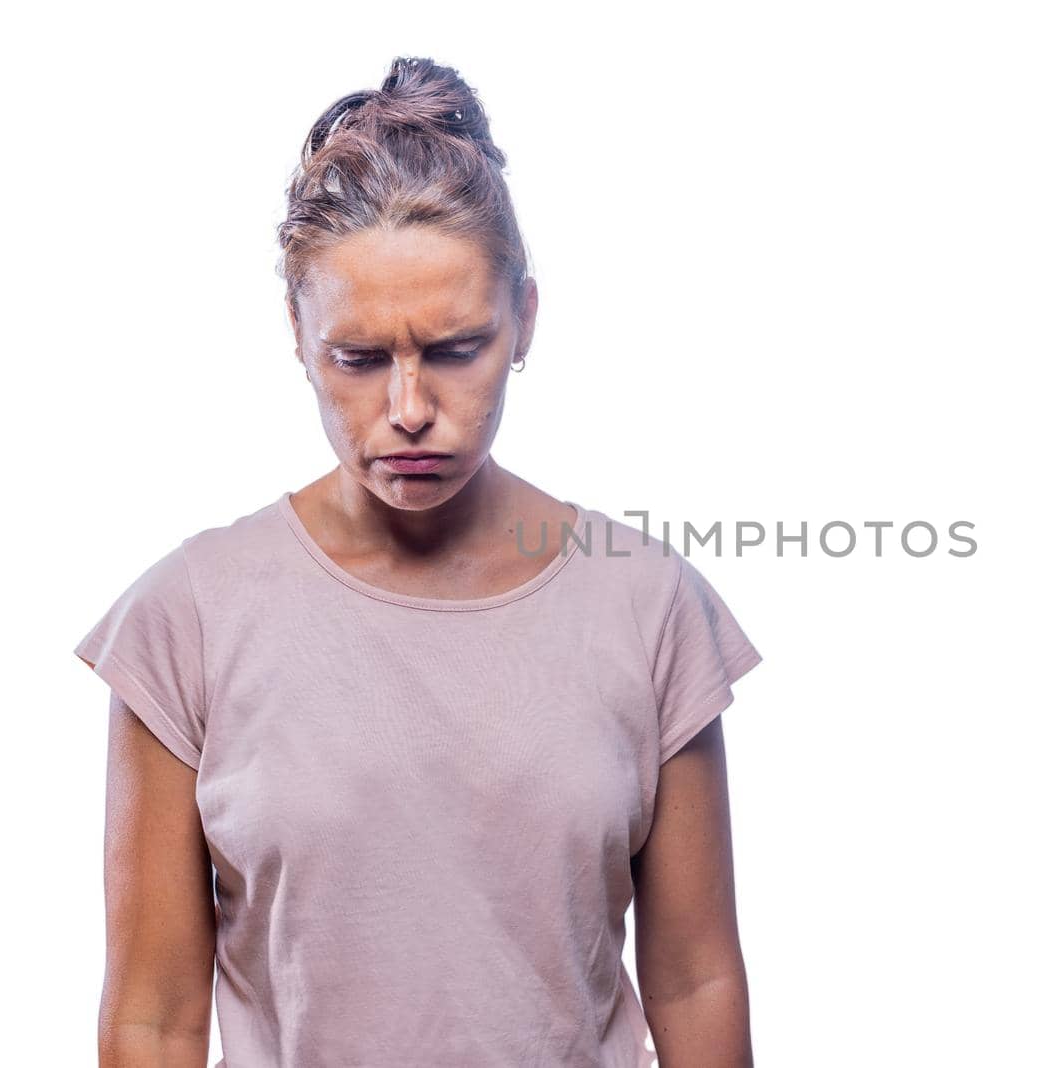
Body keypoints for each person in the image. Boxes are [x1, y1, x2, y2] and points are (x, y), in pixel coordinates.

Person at [73, 55, 762, 1068]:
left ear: (524, 321)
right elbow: (154, 1016)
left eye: (453, 348)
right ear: (299, 335)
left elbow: (695, 979)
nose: (406, 409)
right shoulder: (189, 621)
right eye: (358, 359)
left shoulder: (648, 605)